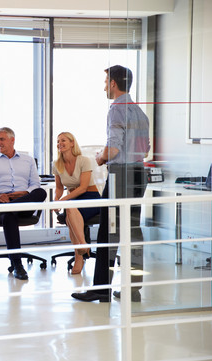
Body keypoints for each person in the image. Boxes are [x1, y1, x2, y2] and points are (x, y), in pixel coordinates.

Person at [72, 65, 150, 303]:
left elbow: (114, 148)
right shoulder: (139, 112)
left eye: (106, 81)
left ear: (114, 83)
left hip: (121, 175)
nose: (104, 85)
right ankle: (133, 289)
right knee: (133, 231)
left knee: (109, 231)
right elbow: (145, 150)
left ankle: (101, 289)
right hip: (138, 174)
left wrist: (100, 157)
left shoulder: (116, 109)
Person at [0, 127, 47, 280]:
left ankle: (6, 209)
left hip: (23, 202)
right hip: (1, 200)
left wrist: (24, 193)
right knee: (9, 216)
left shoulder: (28, 160)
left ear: (12, 140)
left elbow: (36, 184)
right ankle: (18, 265)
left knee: (41, 192)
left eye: (1, 139)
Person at [52, 132, 101, 275]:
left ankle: (79, 254)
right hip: (72, 200)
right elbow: (59, 188)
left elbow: (83, 188)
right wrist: (56, 201)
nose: (60, 143)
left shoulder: (84, 160)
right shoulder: (57, 164)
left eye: (63, 140)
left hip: (90, 197)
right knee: (70, 209)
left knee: (69, 208)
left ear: (72, 143)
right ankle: (82, 246)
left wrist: (62, 201)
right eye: (58, 141)